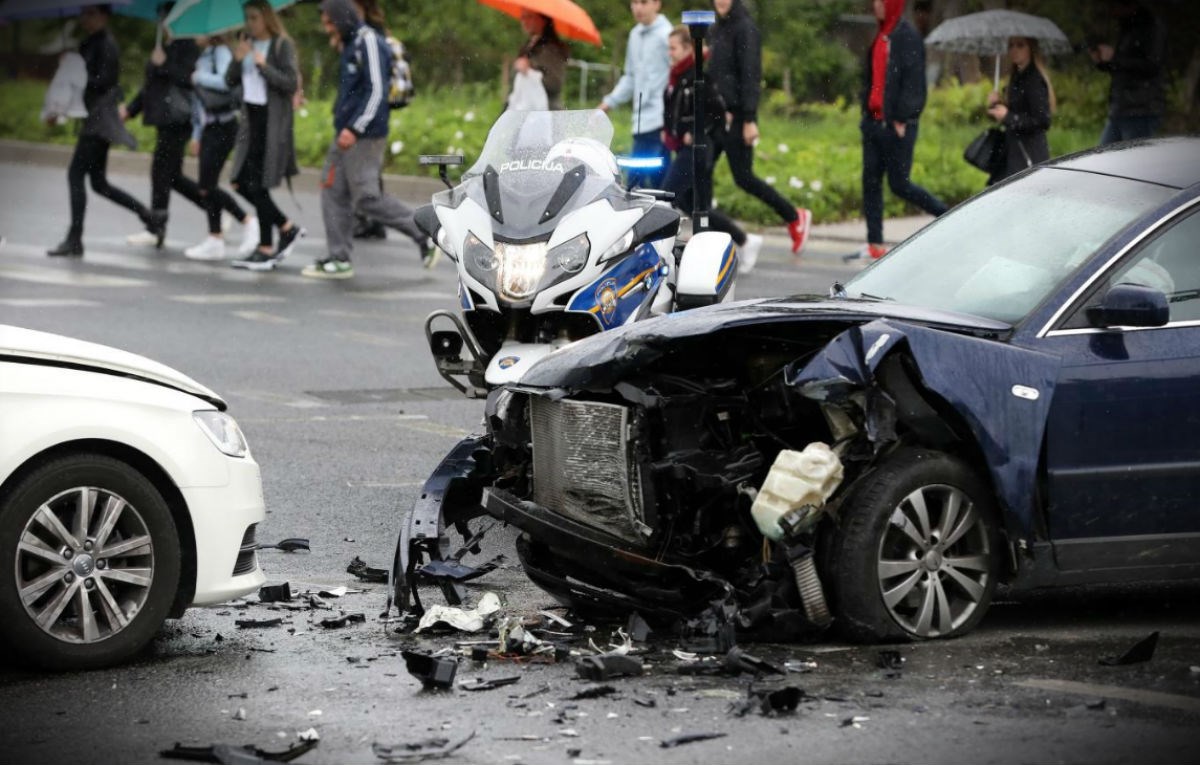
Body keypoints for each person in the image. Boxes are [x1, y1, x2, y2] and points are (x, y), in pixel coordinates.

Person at [304, 0, 433, 279]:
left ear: (341, 17)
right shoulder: (350, 44)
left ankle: (425, 233)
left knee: (366, 198)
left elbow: (377, 91)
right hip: (346, 133)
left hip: (364, 135)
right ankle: (339, 258)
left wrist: (356, 128)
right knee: (331, 188)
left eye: (329, 21)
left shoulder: (370, 42)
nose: (327, 27)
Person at [48, 4, 159, 258]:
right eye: (83, 13)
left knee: (76, 175)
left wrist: (75, 69)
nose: (85, 18)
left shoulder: (106, 44)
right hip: (95, 120)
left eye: (91, 13)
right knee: (99, 183)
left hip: (100, 121)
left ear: (104, 16)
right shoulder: (92, 43)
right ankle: (149, 215)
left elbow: (104, 81)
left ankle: (75, 239)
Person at [708, 0, 811, 257]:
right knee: (700, 176)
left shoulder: (745, 28)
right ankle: (712, 238)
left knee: (743, 177)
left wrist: (749, 118)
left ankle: (794, 216)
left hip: (738, 117)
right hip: (714, 117)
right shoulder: (715, 29)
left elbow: (751, 75)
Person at [661, 25, 761, 273]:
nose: (669, 53)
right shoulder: (678, 76)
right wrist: (671, 131)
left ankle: (663, 253)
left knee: (666, 196)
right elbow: (677, 110)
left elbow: (716, 114)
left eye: (673, 48)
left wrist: (692, 134)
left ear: (687, 49)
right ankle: (743, 240)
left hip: (697, 149)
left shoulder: (699, 76)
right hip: (687, 147)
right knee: (695, 204)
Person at [857, 0, 947, 260]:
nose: (876, 6)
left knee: (900, 184)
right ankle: (874, 242)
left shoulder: (907, 37)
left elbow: (914, 82)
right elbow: (872, 78)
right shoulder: (881, 35)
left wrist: (903, 117)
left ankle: (945, 214)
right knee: (870, 182)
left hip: (897, 126)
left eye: (881, 1)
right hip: (873, 123)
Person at [226, 0, 303, 271]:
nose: (250, 23)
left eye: (255, 17)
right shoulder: (246, 44)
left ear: (267, 18)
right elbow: (230, 81)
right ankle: (286, 227)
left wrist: (263, 65)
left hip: (271, 123)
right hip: (251, 122)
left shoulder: (282, 44)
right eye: (247, 18)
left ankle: (266, 246)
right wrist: (239, 58)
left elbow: (290, 83)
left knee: (258, 185)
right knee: (239, 182)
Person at [183, 34, 259, 261]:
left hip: (224, 125)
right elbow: (200, 103)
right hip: (209, 126)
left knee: (207, 186)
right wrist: (196, 134)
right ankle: (214, 238)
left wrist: (199, 77)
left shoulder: (221, 53)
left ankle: (247, 220)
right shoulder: (205, 55)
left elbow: (227, 82)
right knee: (207, 186)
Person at [599, 0, 672, 189]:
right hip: (640, 121)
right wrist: (608, 103)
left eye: (644, 2)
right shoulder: (635, 35)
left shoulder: (667, 35)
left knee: (651, 183)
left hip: (661, 121)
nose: (638, 8)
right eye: (634, 2)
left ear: (657, 4)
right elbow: (630, 77)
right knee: (639, 182)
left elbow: (677, 77)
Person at [1092, 0, 1166, 145]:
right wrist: (1103, 62)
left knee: (1135, 162)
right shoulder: (1127, 27)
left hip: (1141, 109)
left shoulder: (1151, 27)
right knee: (1104, 158)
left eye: (1114, 6)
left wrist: (1115, 58)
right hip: (1120, 108)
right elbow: (1121, 67)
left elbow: (1151, 66)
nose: (1112, 12)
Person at [985, 37, 1055, 184]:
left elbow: (1043, 121)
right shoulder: (1016, 77)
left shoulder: (1034, 80)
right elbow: (1016, 111)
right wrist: (996, 104)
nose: (1014, 50)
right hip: (1014, 151)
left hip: (1029, 153)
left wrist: (1008, 116)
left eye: (1020, 45)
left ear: (1031, 49)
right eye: (1010, 45)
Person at [514, 11, 569, 110]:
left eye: (530, 17)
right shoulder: (528, 46)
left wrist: (529, 70)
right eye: (523, 17)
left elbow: (554, 84)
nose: (524, 21)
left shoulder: (551, 49)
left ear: (543, 20)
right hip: (525, 111)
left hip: (547, 113)